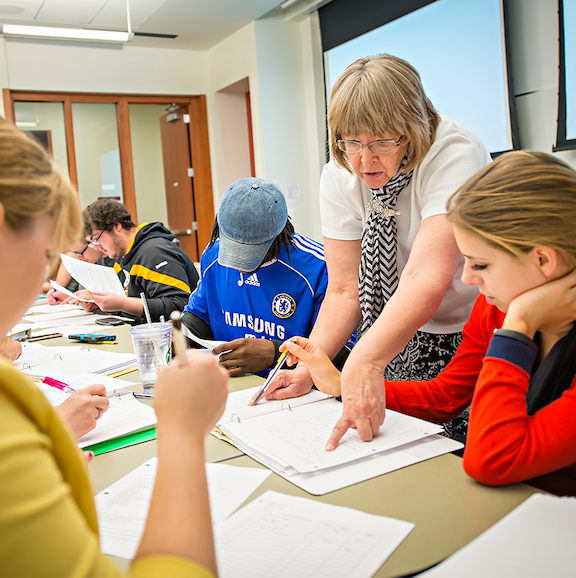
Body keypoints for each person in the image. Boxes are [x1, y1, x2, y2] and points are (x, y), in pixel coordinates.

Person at [0, 118, 228, 576]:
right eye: (46, 254)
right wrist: (182, 433)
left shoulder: (153, 251)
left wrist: (52, 435)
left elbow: (177, 303)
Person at [279, 151, 576, 495]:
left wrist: (519, 325)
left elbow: (491, 459)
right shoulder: (493, 307)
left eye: (480, 265)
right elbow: (445, 397)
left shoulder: (510, 315)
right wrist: (343, 384)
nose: (467, 277)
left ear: (543, 259)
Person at [263, 54, 492, 446]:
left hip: (468, 329)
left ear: (413, 129)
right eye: (351, 142)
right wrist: (310, 364)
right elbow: (343, 290)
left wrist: (365, 360)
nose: (364, 160)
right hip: (396, 330)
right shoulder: (340, 172)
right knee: (395, 442)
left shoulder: (453, 154)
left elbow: (425, 277)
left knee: (454, 447)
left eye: (382, 142)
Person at [182, 177, 355, 376]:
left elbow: (345, 354)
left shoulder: (320, 267)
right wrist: (183, 333)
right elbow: (200, 315)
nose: (239, 264)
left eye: (251, 253)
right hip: (232, 388)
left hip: (298, 392)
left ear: (278, 235)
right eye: (234, 249)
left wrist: (275, 354)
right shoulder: (212, 256)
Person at [81, 199, 199, 323]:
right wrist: (109, 306)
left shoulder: (155, 252)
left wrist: (123, 304)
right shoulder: (122, 255)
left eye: (96, 239)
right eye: (91, 243)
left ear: (117, 226)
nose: (96, 247)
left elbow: (180, 307)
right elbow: (136, 304)